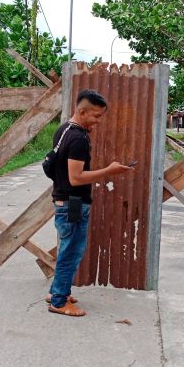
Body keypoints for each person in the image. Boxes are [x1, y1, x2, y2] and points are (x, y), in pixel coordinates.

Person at [46, 90, 132, 316]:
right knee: (71, 252)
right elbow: (76, 178)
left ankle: (58, 291)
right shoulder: (78, 139)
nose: (98, 121)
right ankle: (59, 301)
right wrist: (109, 171)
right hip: (73, 202)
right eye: (96, 116)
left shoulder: (64, 130)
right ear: (81, 111)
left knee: (68, 248)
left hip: (65, 200)